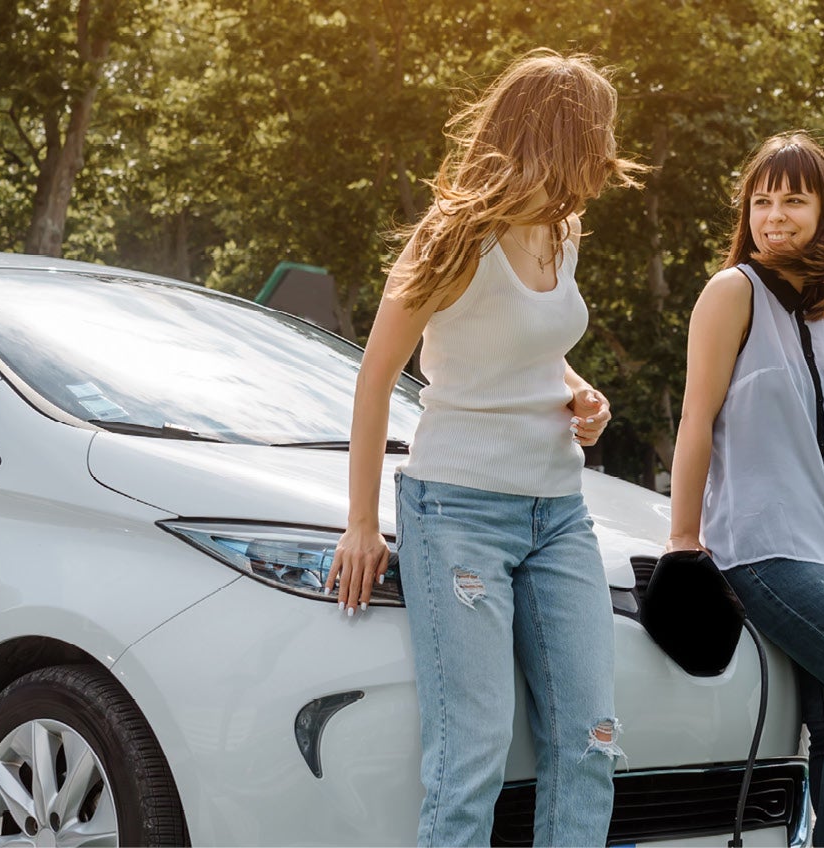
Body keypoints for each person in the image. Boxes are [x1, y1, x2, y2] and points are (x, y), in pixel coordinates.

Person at [327, 51, 644, 847]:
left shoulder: (562, 232)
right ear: (562, 135)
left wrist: (576, 389)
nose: (608, 153)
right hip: (458, 511)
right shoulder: (454, 236)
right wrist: (362, 523)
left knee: (591, 741)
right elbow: (375, 379)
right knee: (471, 753)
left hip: (559, 515)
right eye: (598, 134)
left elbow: (524, 342)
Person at [665, 132, 824, 847]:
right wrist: (684, 540)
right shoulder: (731, 292)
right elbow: (695, 417)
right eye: (761, 200)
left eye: (793, 200)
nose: (773, 216)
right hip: (762, 545)